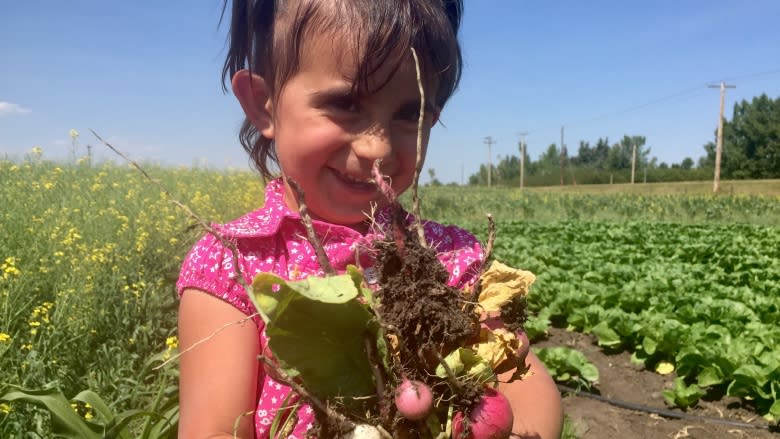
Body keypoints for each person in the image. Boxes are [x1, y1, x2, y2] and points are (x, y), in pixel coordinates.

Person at [176, 0, 563, 438]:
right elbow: (213, 429)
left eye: (408, 115)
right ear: (263, 104)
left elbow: (531, 391)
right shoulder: (232, 262)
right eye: (345, 104)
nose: (376, 148)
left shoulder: (452, 259)